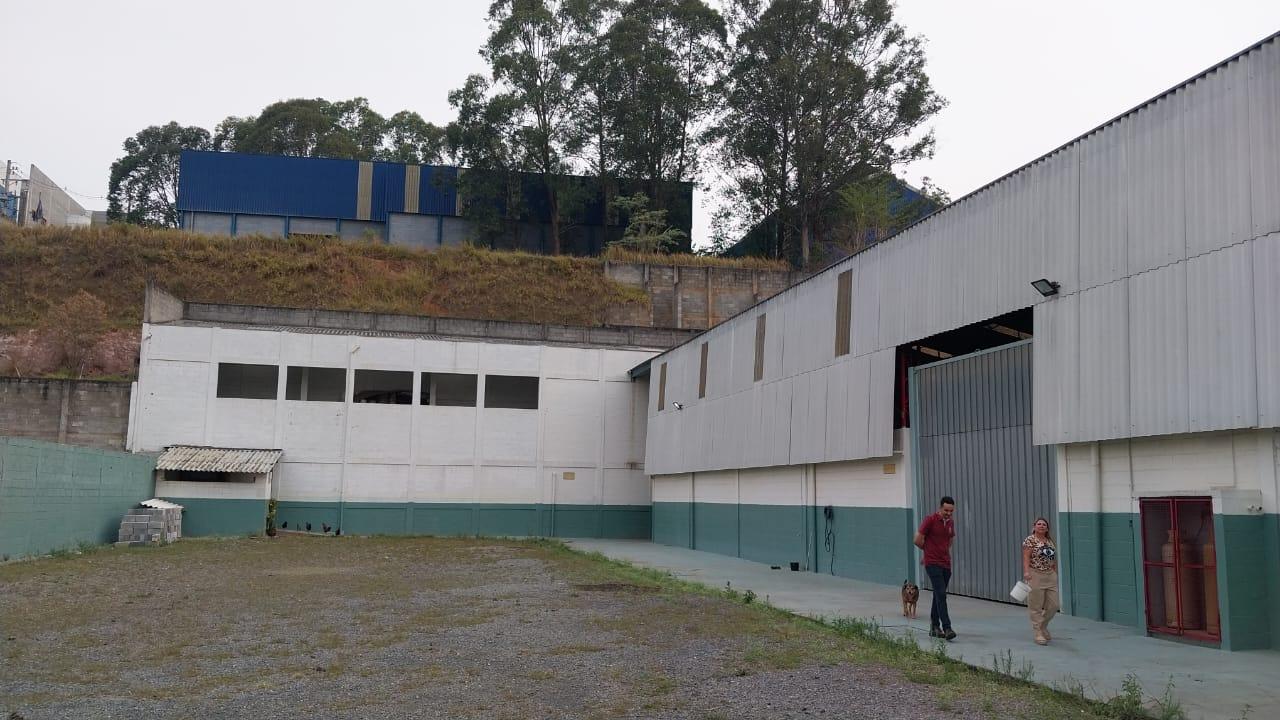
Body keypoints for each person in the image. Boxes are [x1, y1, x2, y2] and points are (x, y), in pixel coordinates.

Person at [914, 496, 957, 640]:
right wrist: (928, 553)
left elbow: (950, 540)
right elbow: (917, 539)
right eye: (946, 510)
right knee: (941, 594)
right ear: (940, 508)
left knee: (939, 594)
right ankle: (947, 627)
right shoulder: (930, 520)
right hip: (932, 563)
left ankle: (934, 626)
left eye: (951, 511)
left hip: (945, 563)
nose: (948, 513)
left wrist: (942, 551)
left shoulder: (950, 523)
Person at [1022, 517, 1059, 645]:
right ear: (1034, 526)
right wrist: (1026, 572)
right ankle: (1038, 632)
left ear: (1047, 528)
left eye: (1044, 524)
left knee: (1054, 605)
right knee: (1035, 605)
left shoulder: (1049, 541)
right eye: (1039, 524)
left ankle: (1043, 625)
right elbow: (1026, 556)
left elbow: (1053, 559)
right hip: (1035, 574)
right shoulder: (1030, 540)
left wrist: (1055, 573)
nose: (1041, 526)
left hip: (1050, 575)